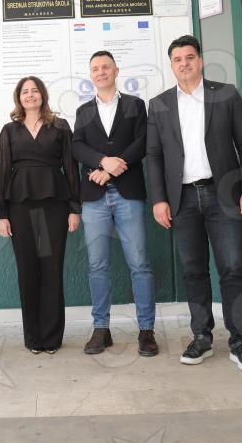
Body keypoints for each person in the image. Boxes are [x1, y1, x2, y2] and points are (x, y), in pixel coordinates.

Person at [147, 35, 242, 372]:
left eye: (189, 57)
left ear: (200, 60)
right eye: (177, 59)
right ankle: (201, 336)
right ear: (171, 65)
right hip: (181, 199)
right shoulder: (159, 104)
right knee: (193, 270)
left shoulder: (225, 94)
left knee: (233, 268)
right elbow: (154, 155)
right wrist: (159, 199)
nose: (184, 63)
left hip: (223, 194)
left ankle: (240, 341)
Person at [73, 51, 157, 357]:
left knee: (140, 264)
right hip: (94, 197)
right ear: (90, 75)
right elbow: (77, 146)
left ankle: (146, 331)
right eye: (95, 68)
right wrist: (101, 162)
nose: (101, 72)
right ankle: (101, 329)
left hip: (128, 194)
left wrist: (113, 167)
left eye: (105, 67)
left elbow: (142, 141)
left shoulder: (135, 105)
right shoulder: (83, 111)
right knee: (97, 265)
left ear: (116, 70)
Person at [0, 76, 81, 354]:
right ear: (18, 98)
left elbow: (71, 168)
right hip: (20, 207)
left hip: (53, 206)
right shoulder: (9, 130)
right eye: (25, 92)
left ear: (42, 94)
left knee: (51, 268)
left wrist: (74, 208)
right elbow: (2, 172)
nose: (30, 95)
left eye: (34, 91)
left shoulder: (60, 126)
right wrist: (1, 213)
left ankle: (52, 337)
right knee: (28, 270)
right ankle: (33, 337)